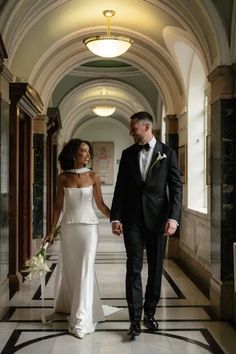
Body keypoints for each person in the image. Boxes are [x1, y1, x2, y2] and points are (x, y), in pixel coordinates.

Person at [110, 111, 182, 337]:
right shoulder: (128, 154)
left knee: (155, 269)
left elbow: (176, 187)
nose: (131, 132)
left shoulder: (167, 153)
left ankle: (149, 313)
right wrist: (115, 217)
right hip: (132, 220)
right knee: (133, 268)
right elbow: (120, 188)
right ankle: (134, 320)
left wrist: (174, 217)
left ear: (147, 127)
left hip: (159, 221)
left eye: (134, 128)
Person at [43, 138, 110, 339]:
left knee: (85, 270)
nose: (87, 154)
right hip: (69, 229)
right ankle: (69, 305)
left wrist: (117, 219)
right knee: (72, 270)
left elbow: (100, 205)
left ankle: (81, 320)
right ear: (74, 154)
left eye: (88, 151)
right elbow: (57, 207)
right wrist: (50, 230)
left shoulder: (93, 176)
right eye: (83, 151)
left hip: (89, 229)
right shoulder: (63, 178)